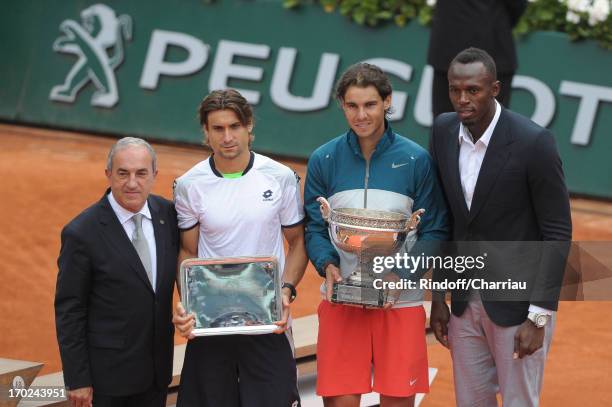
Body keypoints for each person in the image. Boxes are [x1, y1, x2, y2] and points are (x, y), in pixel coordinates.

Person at [428, 47, 572, 407]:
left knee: (519, 401)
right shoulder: (443, 131)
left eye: (473, 90)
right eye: (455, 89)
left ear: (494, 88)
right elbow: (446, 219)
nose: (463, 99)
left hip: (517, 304)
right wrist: (439, 298)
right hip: (463, 301)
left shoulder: (533, 142)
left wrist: (538, 316)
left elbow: (556, 232)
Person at [304, 63, 449, 407]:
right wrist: (326, 263)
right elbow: (314, 225)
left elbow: (435, 228)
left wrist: (403, 274)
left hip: (401, 302)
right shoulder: (324, 159)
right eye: (352, 105)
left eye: (370, 104)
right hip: (342, 299)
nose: (361, 114)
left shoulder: (416, 160)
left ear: (387, 101)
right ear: (342, 104)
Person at [171, 89, 307, 407]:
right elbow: (187, 252)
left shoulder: (281, 178)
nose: (227, 137)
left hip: (266, 319)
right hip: (211, 321)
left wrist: (285, 290)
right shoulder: (189, 185)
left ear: (249, 128)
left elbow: (297, 242)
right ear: (206, 133)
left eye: (234, 126)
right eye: (218, 128)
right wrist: (189, 304)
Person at [55, 137, 179, 407]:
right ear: (108, 174)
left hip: (157, 374)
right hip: (108, 380)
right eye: (123, 173)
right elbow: (70, 309)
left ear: (155, 175)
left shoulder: (168, 215)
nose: (132, 183)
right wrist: (77, 378)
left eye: (141, 173)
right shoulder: (82, 232)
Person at [427, 0, 528, 118]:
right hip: (491, 47)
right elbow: (517, 5)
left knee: (446, 127)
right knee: (489, 128)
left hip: (448, 49)